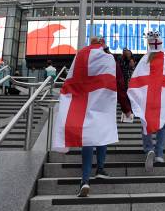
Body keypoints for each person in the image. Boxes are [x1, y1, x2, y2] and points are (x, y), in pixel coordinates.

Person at [51, 36, 126, 198]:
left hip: (83, 102)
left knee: (87, 140)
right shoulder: (108, 59)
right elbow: (118, 82)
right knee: (102, 133)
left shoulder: (80, 56)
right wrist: (126, 108)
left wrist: (67, 97)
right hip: (101, 102)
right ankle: (100, 168)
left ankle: (84, 180)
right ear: (103, 44)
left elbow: (71, 79)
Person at [127, 31, 165, 171]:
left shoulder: (145, 59)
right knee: (162, 124)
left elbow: (135, 81)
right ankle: (159, 153)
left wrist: (135, 96)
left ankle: (148, 148)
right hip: (161, 99)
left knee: (145, 122)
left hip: (147, 99)